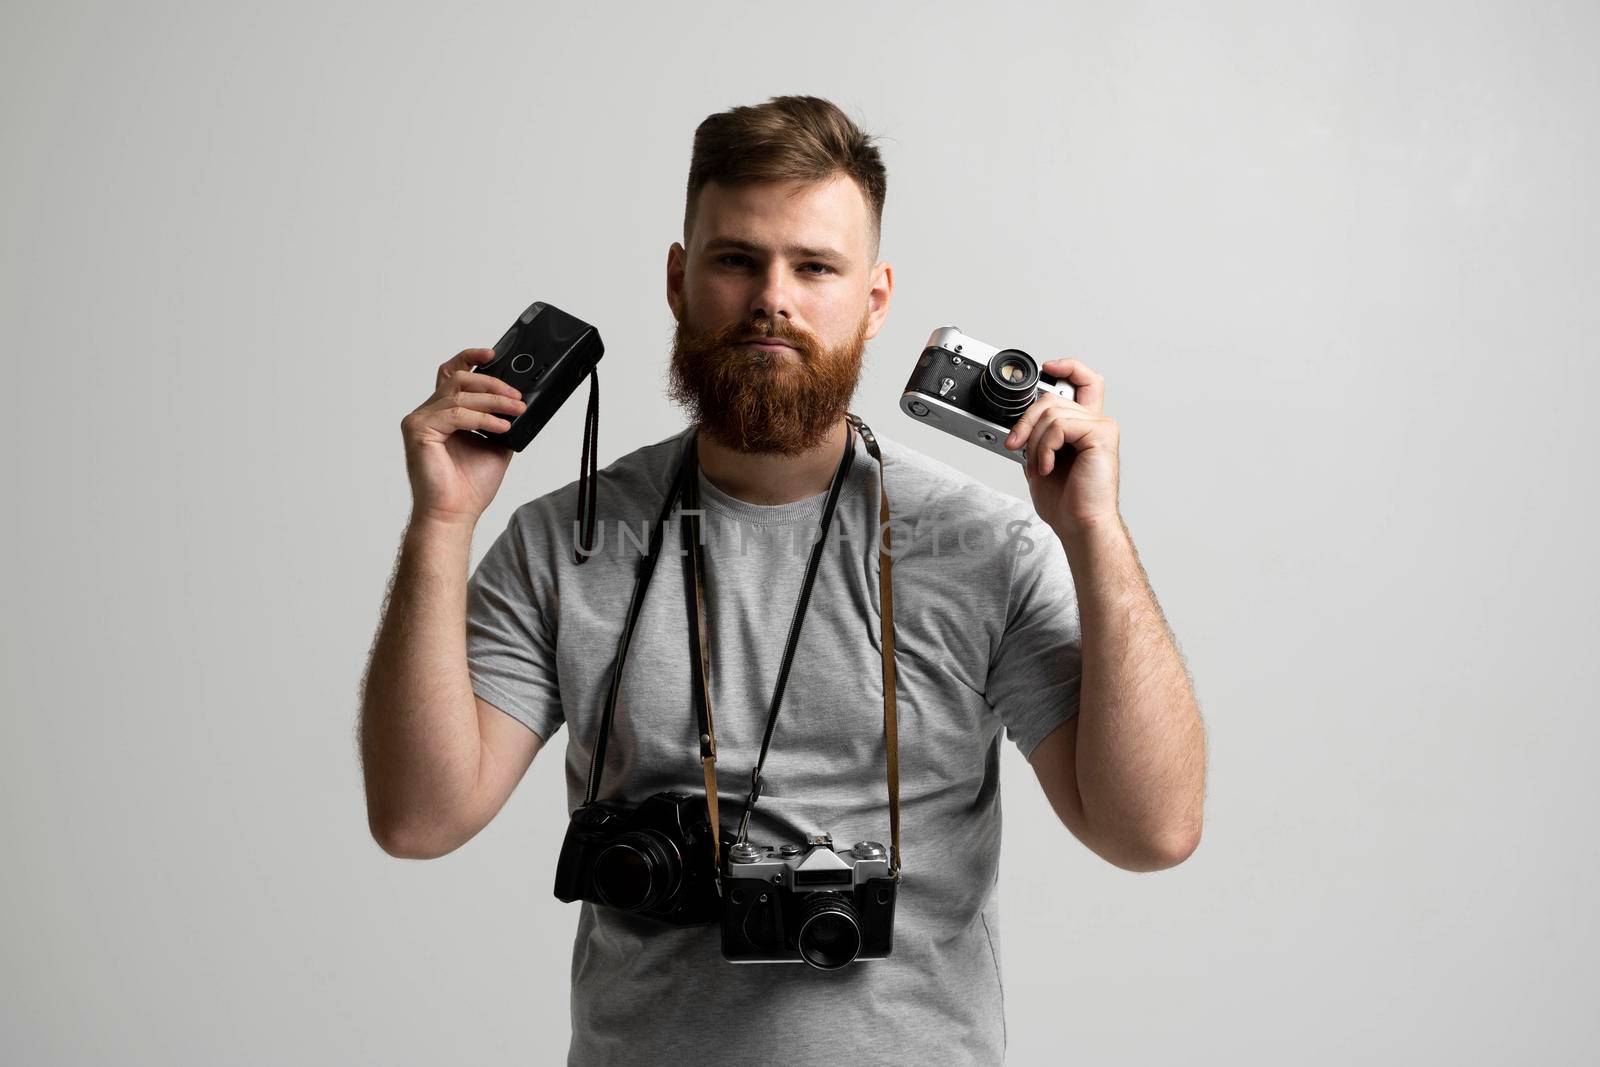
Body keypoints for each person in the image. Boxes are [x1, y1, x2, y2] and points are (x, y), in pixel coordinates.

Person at [359, 94, 1207, 1067]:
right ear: (678, 281)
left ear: (875, 299)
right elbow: (419, 818)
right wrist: (441, 521)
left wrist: (1094, 531)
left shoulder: (983, 546)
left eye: (814, 266)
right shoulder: (567, 539)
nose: (774, 296)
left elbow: (1150, 832)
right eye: (735, 259)